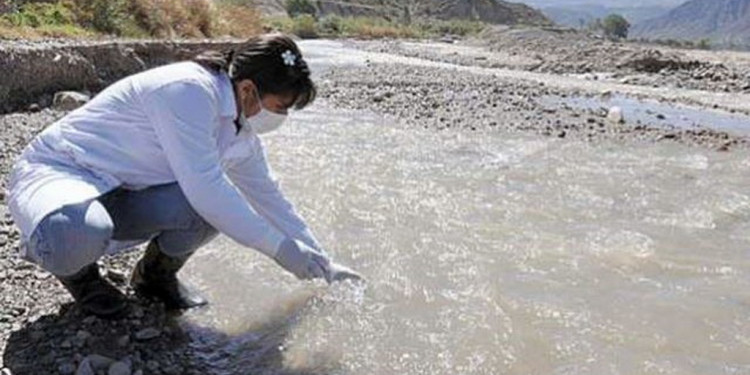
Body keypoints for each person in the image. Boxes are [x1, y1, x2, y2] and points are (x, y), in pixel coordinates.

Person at [6, 33, 361, 319]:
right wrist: (282, 251)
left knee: (207, 212)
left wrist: (322, 261)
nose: (282, 117)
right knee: (73, 233)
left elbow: (269, 197)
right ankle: (79, 275)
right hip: (62, 173)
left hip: (123, 189)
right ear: (249, 89)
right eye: (281, 107)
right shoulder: (188, 90)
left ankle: (154, 277)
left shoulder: (241, 132)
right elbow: (207, 188)